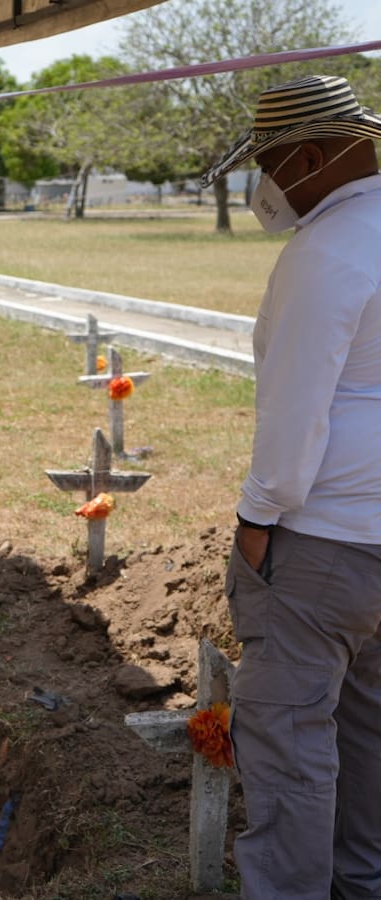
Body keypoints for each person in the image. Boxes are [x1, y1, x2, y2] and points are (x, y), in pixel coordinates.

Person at [202, 74, 381, 900]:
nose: (266, 183)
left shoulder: (326, 252)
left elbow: (297, 411)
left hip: (325, 541)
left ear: (311, 155)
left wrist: (256, 516)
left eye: (271, 161)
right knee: (367, 730)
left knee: (289, 735)